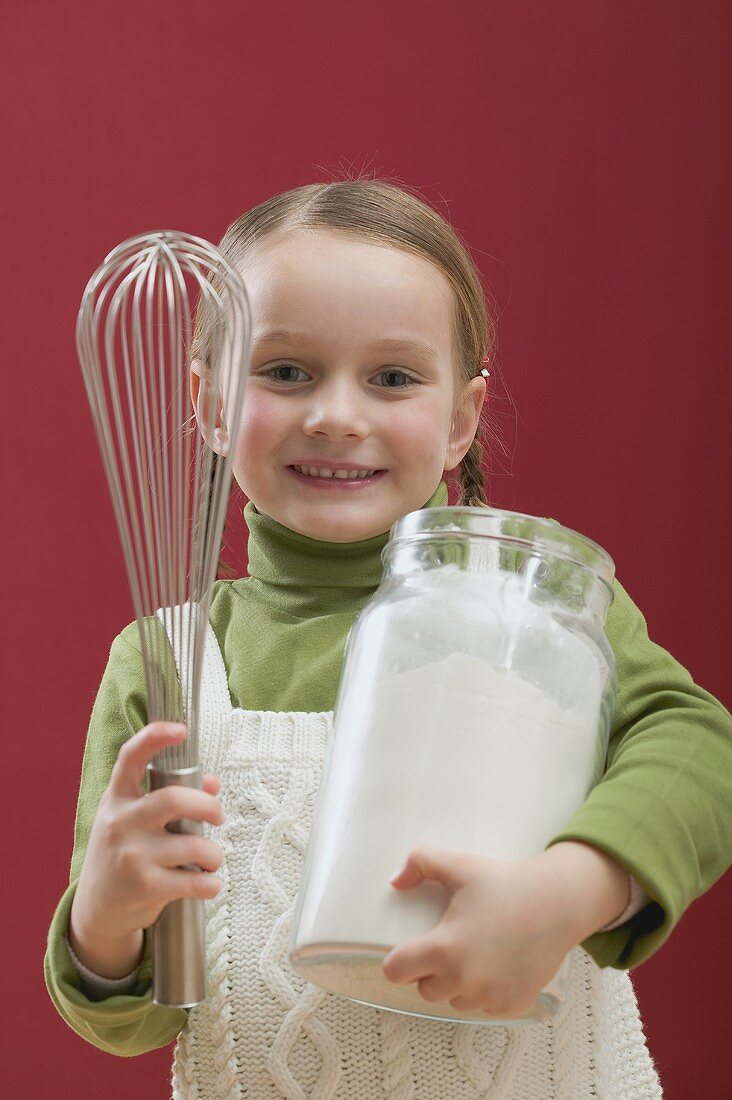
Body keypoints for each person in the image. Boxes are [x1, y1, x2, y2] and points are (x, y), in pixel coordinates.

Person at [45, 179, 731, 1098]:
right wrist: (107, 916)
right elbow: (131, 1019)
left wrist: (573, 887)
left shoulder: (538, 609)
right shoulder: (171, 663)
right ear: (208, 404)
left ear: (461, 419)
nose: (336, 414)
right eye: (285, 371)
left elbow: (701, 753)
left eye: (393, 378)